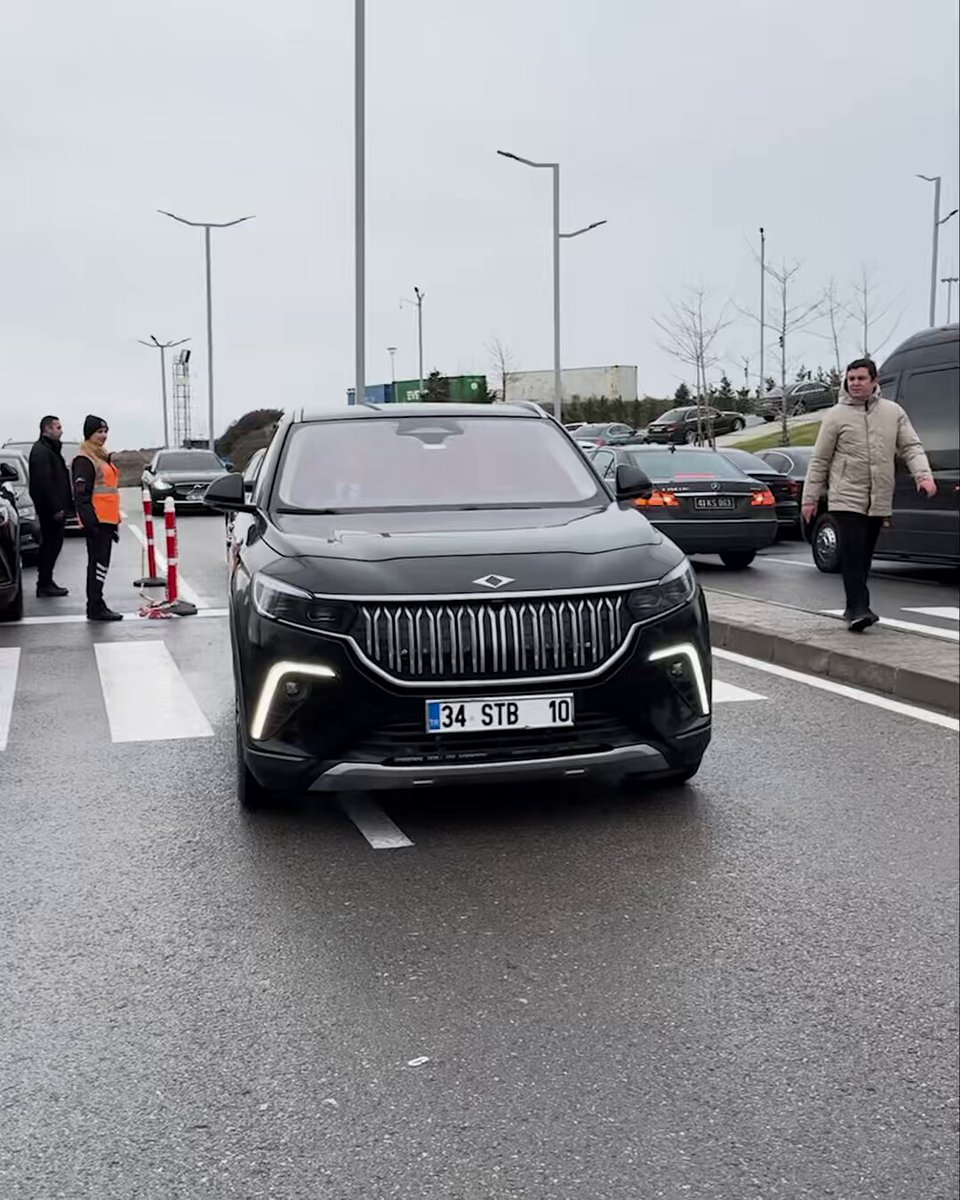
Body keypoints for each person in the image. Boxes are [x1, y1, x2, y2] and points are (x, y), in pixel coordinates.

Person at [801, 357, 936, 632]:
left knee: (864, 555)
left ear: (874, 381)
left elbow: (911, 446)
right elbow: (820, 460)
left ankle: (853, 607)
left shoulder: (893, 412)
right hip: (846, 496)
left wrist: (923, 476)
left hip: (879, 498)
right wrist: (810, 498)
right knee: (852, 551)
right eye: (851, 379)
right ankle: (859, 609)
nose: (855, 384)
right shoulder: (836, 416)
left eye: (861, 378)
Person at [72, 415, 123, 622]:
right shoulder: (85, 460)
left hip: (108, 520)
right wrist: (90, 523)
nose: (103, 436)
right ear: (89, 435)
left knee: (102, 564)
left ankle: (97, 602)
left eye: (105, 431)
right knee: (98, 564)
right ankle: (94, 606)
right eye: (99, 432)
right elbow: (81, 496)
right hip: (98, 521)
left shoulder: (101, 457)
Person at [28, 415, 74, 597]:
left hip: (56, 508)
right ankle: (44, 583)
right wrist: (55, 508)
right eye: (58, 427)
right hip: (50, 510)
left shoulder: (50, 450)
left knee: (54, 545)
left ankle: (46, 581)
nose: (61, 431)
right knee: (50, 545)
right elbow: (44, 483)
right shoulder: (41, 452)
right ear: (47, 429)